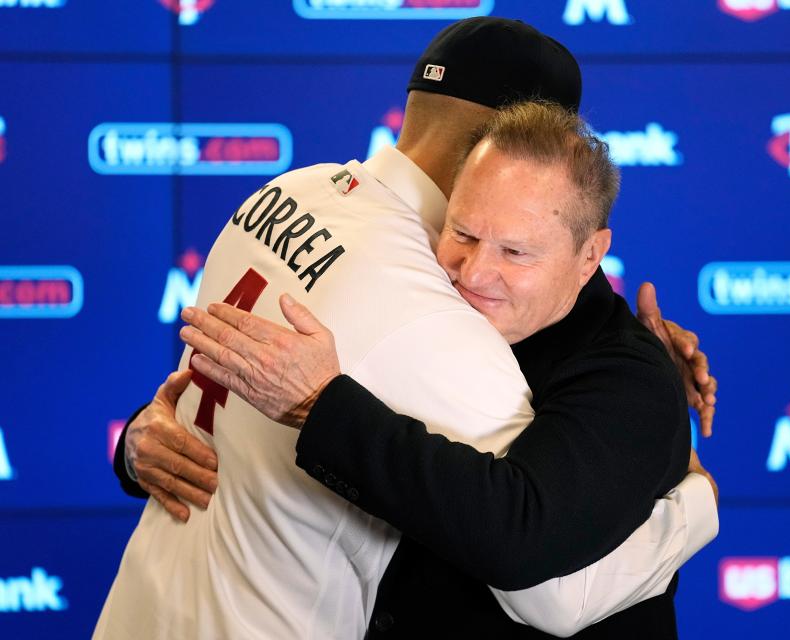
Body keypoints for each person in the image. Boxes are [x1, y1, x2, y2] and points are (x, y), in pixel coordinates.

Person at [100, 18, 717, 640]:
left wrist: (138, 438)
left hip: (138, 608)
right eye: (467, 234)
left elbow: (216, 385)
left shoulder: (291, 191)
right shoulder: (428, 302)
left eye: (517, 250)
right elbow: (550, 586)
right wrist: (696, 501)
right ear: (497, 143)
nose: (477, 268)